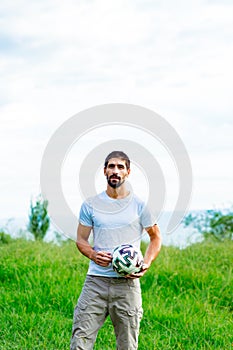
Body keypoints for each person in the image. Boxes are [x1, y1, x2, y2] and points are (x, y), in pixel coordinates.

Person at [70, 151, 161, 350]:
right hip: (95, 282)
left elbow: (155, 238)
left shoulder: (139, 206)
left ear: (128, 172)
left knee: (127, 345)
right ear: (104, 171)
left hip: (127, 286)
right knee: (80, 342)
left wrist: (146, 263)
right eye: (111, 166)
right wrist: (93, 254)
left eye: (120, 167)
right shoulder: (91, 205)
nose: (115, 171)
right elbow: (81, 240)